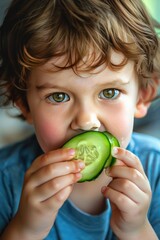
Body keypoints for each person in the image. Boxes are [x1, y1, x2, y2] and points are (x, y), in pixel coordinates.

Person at [0, 0, 160, 239]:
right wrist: (25, 229)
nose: (87, 121)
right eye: (59, 96)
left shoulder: (156, 172)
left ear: (142, 96)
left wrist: (137, 230)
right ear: (24, 103)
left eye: (109, 93)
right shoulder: (5, 180)